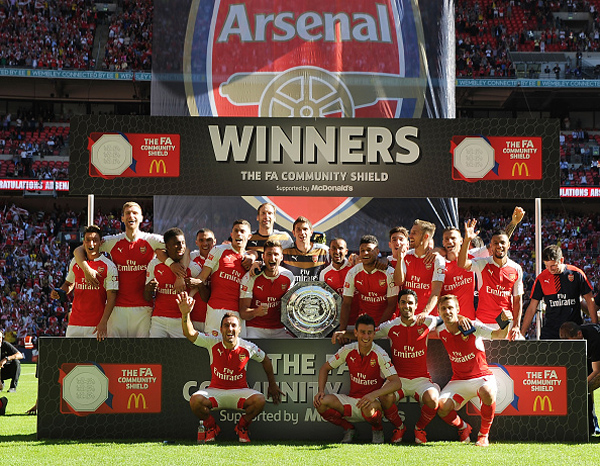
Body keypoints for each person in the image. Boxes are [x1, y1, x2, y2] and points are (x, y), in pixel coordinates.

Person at [177, 291, 283, 443]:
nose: (230, 329)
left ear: (239, 330)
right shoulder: (212, 342)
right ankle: (211, 426)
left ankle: (242, 427)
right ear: (221, 329)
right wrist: (185, 314)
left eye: (233, 325)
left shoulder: (248, 347)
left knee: (259, 400)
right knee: (195, 400)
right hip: (215, 392)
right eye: (226, 326)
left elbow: (266, 360)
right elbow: (190, 334)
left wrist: (272, 385)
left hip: (239, 392)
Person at [73, 202, 166, 337]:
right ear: (122, 218)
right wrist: (86, 269)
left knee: (142, 355)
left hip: (143, 310)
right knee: (116, 355)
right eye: (127, 213)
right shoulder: (112, 241)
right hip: (117, 310)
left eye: (134, 213)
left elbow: (177, 247)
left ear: (141, 218)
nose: (131, 216)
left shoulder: (152, 240)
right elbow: (79, 250)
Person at [436, 294, 513, 447]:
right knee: (441, 407)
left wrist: (506, 321)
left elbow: (499, 335)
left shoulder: (472, 326)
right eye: (443, 309)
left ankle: (483, 435)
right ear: (438, 312)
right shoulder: (440, 329)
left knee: (488, 392)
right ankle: (463, 427)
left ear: (457, 309)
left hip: (481, 377)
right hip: (458, 380)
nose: (447, 311)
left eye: (451, 308)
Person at [314, 314, 402, 444]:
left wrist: (373, 395)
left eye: (369, 333)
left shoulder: (380, 353)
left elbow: (396, 383)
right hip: (352, 401)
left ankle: (377, 429)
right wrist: (321, 390)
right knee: (320, 403)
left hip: (372, 403)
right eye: (362, 332)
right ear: (355, 333)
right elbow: (324, 368)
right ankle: (349, 429)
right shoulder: (348, 350)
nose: (366, 337)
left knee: (368, 408)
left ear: (373, 334)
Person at [374, 289, 442, 444]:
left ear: (416, 305)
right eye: (403, 302)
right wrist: (346, 333)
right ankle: (399, 427)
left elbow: (448, 320)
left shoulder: (427, 321)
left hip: (422, 379)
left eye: (410, 303)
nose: (406, 306)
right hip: (399, 380)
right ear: (398, 305)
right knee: (384, 397)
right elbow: (369, 334)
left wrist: (464, 320)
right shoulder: (390, 326)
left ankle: (419, 429)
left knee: (432, 400)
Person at [442, 207, 525, 320]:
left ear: (461, 240)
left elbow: (498, 244)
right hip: (448, 318)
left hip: (471, 320)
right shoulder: (438, 261)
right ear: (442, 242)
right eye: (446, 239)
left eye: (453, 238)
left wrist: (513, 223)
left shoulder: (473, 255)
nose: (450, 242)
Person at [458, 220, 523, 340]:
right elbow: (462, 264)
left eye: (502, 242)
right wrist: (467, 240)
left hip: (506, 324)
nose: (499, 246)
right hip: (484, 323)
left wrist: (516, 326)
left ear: (508, 245)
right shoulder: (482, 263)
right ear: (491, 246)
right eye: (496, 243)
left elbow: (518, 300)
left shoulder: (516, 268)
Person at [52, 225, 119, 340]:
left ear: (100, 243)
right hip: (74, 323)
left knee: (94, 358)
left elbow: (112, 297)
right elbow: (68, 284)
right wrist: (60, 292)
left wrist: (103, 322)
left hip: (95, 325)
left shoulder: (109, 266)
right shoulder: (75, 261)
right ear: (84, 242)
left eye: (95, 240)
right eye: (88, 240)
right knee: (71, 357)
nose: (91, 244)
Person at [520, 245, 597, 340]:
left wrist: (595, 326)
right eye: (546, 266)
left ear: (561, 260)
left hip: (572, 332)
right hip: (550, 332)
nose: (550, 269)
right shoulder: (541, 278)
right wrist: (522, 333)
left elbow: (590, 301)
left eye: (553, 265)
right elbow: (532, 307)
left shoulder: (576, 274)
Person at [196, 220, 254, 336]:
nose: (239, 234)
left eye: (242, 231)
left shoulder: (251, 261)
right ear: (231, 234)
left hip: (237, 314)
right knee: (213, 347)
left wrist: (253, 256)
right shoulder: (219, 250)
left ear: (249, 236)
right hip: (215, 310)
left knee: (237, 350)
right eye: (236, 231)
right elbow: (201, 277)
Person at [334, 235, 398, 337]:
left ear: (377, 252)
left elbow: (392, 305)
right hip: (365, 326)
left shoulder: (388, 272)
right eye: (362, 250)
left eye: (369, 250)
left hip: (387, 326)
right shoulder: (353, 273)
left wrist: (378, 329)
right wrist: (343, 330)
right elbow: (346, 304)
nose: (365, 253)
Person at [145, 228, 201, 338]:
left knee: (181, 354)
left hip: (181, 321)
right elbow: (147, 296)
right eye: (176, 244)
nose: (181, 246)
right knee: (154, 353)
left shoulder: (192, 266)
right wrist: (149, 288)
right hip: (158, 320)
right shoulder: (154, 264)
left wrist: (191, 294)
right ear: (167, 247)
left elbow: (203, 285)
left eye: (183, 243)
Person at [239, 240, 295, 338]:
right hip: (255, 328)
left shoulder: (289, 277)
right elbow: (243, 313)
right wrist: (256, 312)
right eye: (269, 254)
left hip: (280, 329)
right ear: (263, 257)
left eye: (276, 254)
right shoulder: (251, 277)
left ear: (281, 257)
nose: (272, 258)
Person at [394, 220, 445, 318]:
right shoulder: (406, 256)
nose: (410, 236)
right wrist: (400, 259)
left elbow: (436, 292)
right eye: (411, 232)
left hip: (427, 317)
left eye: (414, 233)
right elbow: (398, 281)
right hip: (407, 316)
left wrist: (425, 312)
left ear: (425, 236)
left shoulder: (437, 260)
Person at [560, 321, 600, 436]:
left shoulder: (594, 340)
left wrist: (580, 385)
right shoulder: (577, 332)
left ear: (579, 334)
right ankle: (591, 425)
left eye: (573, 343)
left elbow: (597, 371)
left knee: (584, 389)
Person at [320, 238, 359, 328]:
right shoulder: (324, 273)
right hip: (337, 325)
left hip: (358, 323)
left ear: (346, 251)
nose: (337, 251)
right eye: (334, 248)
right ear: (329, 251)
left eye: (340, 248)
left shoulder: (355, 267)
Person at [187, 228, 217, 332]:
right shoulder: (190, 258)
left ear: (215, 241)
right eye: (201, 240)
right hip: (194, 317)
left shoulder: (221, 258)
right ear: (196, 242)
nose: (205, 243)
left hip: (214, 317)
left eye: (209, 240)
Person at [282, 216, 329, 282]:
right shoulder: (285, 252)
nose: (302, 232)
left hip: (316, 292)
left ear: (311, 233)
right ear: (293, 233)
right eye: (298, 229)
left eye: (305, 229)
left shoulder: (323, 251)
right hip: (293, 292)